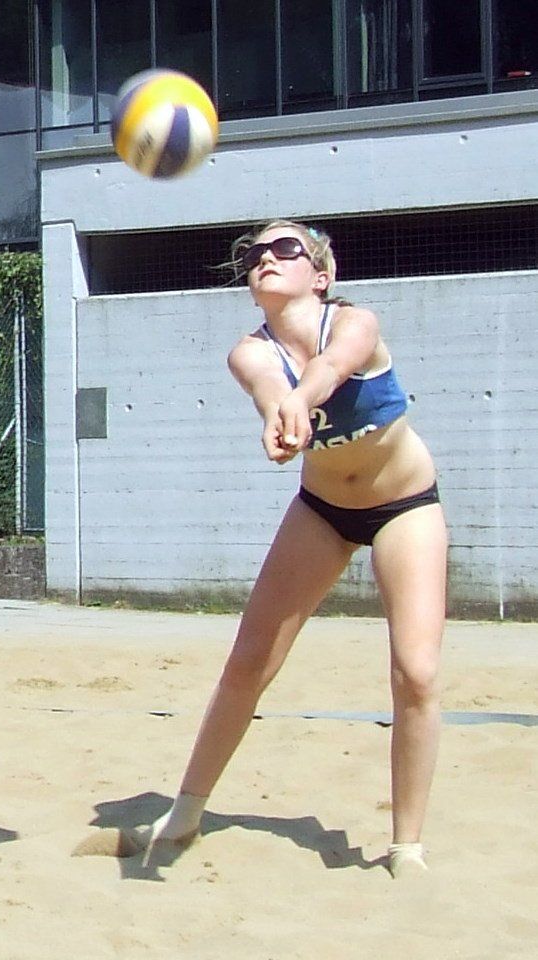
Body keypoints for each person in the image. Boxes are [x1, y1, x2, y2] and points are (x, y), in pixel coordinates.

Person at [143, 220, 446, 878]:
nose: (266, 258)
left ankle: (407, 849)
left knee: (416, 673)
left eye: (286, 249)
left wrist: (302, 403)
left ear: (321, 276)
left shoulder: (356, 321)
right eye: (255, 254)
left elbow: (331, 368)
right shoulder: (249, 352)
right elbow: (269, 393)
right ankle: (185, 813)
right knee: (249, 661)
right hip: (322, 511)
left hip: (406, 505)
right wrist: (280, 422)